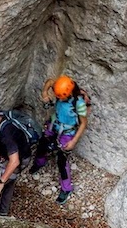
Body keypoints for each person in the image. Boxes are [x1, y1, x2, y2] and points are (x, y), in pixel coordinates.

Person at [29, 75, 89, 205]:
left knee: (62, 160)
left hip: (67, 132)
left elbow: (83, 124)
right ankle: (40, 162)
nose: (58, 99)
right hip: (54, 124)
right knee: (42, 144)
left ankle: (66, 188)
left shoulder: (79, 104)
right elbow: (50, 81)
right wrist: (44, 92)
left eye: (60, 97)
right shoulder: (61, 88)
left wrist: (73, 141)